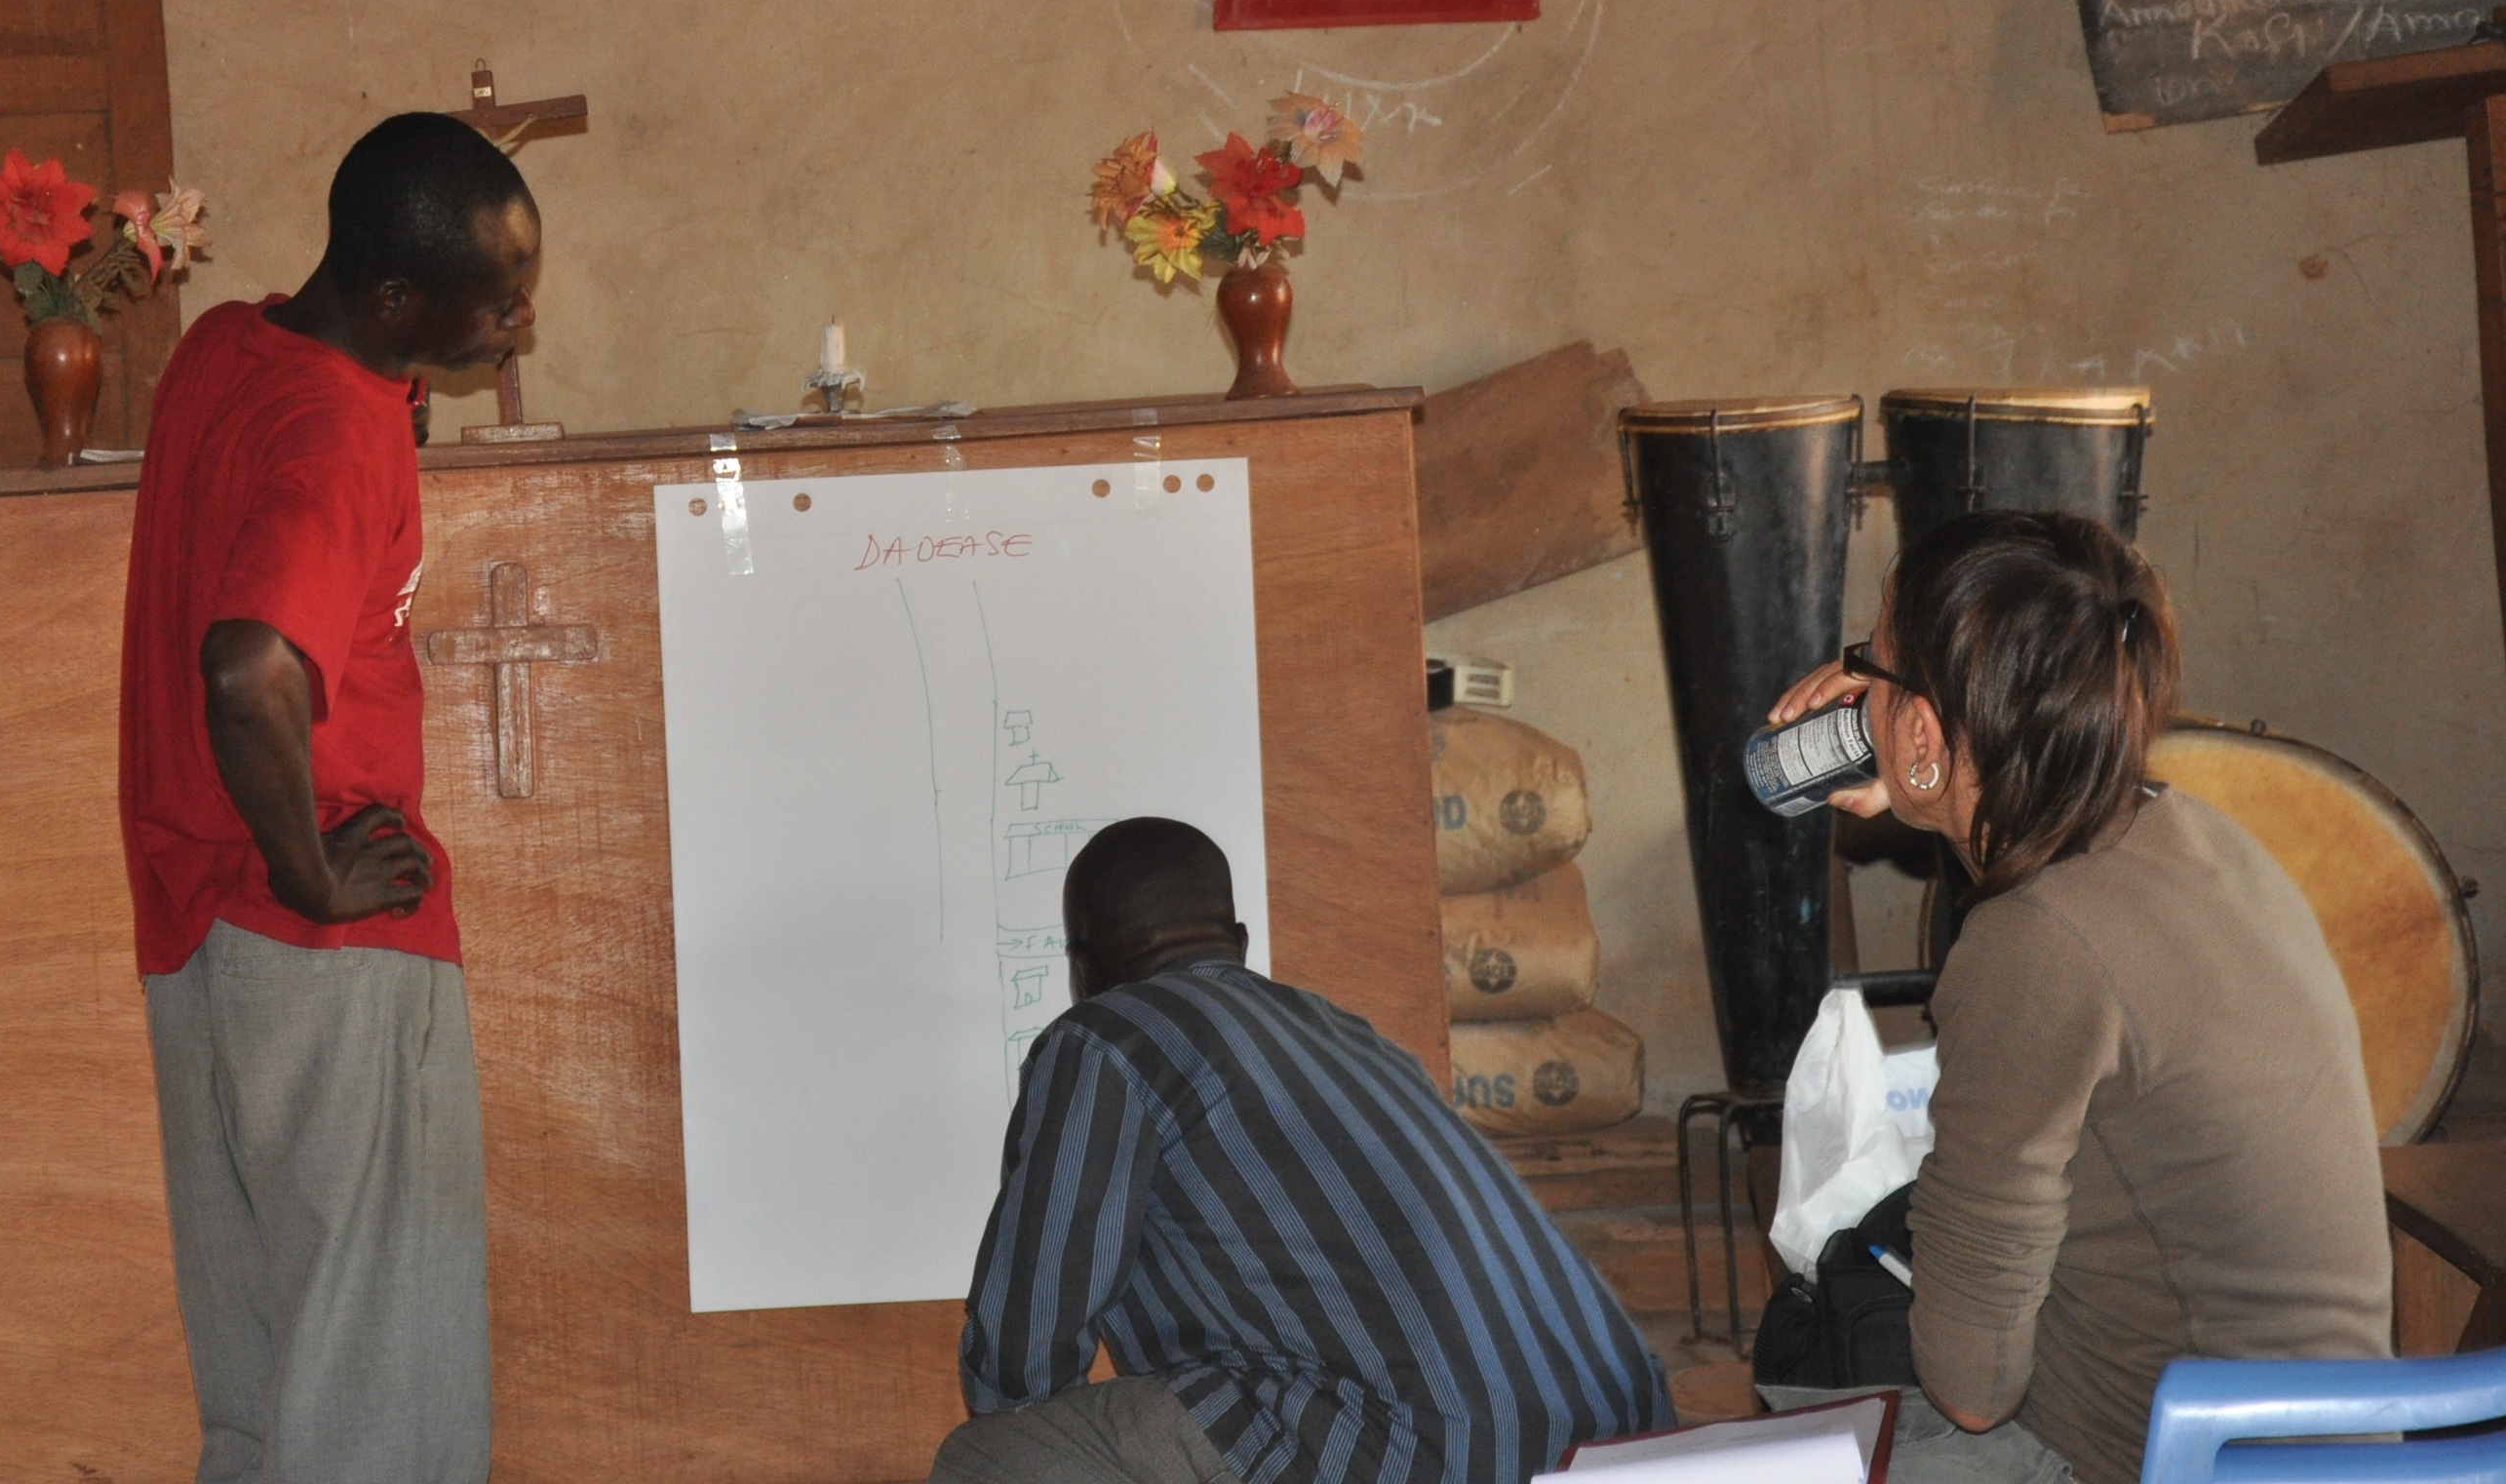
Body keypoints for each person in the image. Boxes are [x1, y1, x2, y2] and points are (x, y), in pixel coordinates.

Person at [1760, 512, 2390, 1484]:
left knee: (1788, 1398)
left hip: (2165, 1460)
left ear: (1924, 726)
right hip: (2334, 1441)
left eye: (1868, 666)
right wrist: (1922, 768)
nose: (1854, 685)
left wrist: (1921, 762)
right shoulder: (2195, 838)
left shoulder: (2035, 944)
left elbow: (1974, 1386)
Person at [119, 112, 542, 1484]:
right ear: (398, 299)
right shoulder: (339, 430)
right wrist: (311, 872)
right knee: (378, 1382)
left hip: (201, 927)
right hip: (326, 946)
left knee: (268, 1381)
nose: (520, 323)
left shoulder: (226, 346)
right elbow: (249, 668)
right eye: (500, 299)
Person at [938, 818, 1669, 1484]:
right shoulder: (1358, 1038)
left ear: (1081, 963)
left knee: (995, 1456)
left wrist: (1020, 1413)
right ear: (1239, 942)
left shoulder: (1108, 1036)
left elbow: (1026, 1343)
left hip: (1420, 1449)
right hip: (1620, 1438)